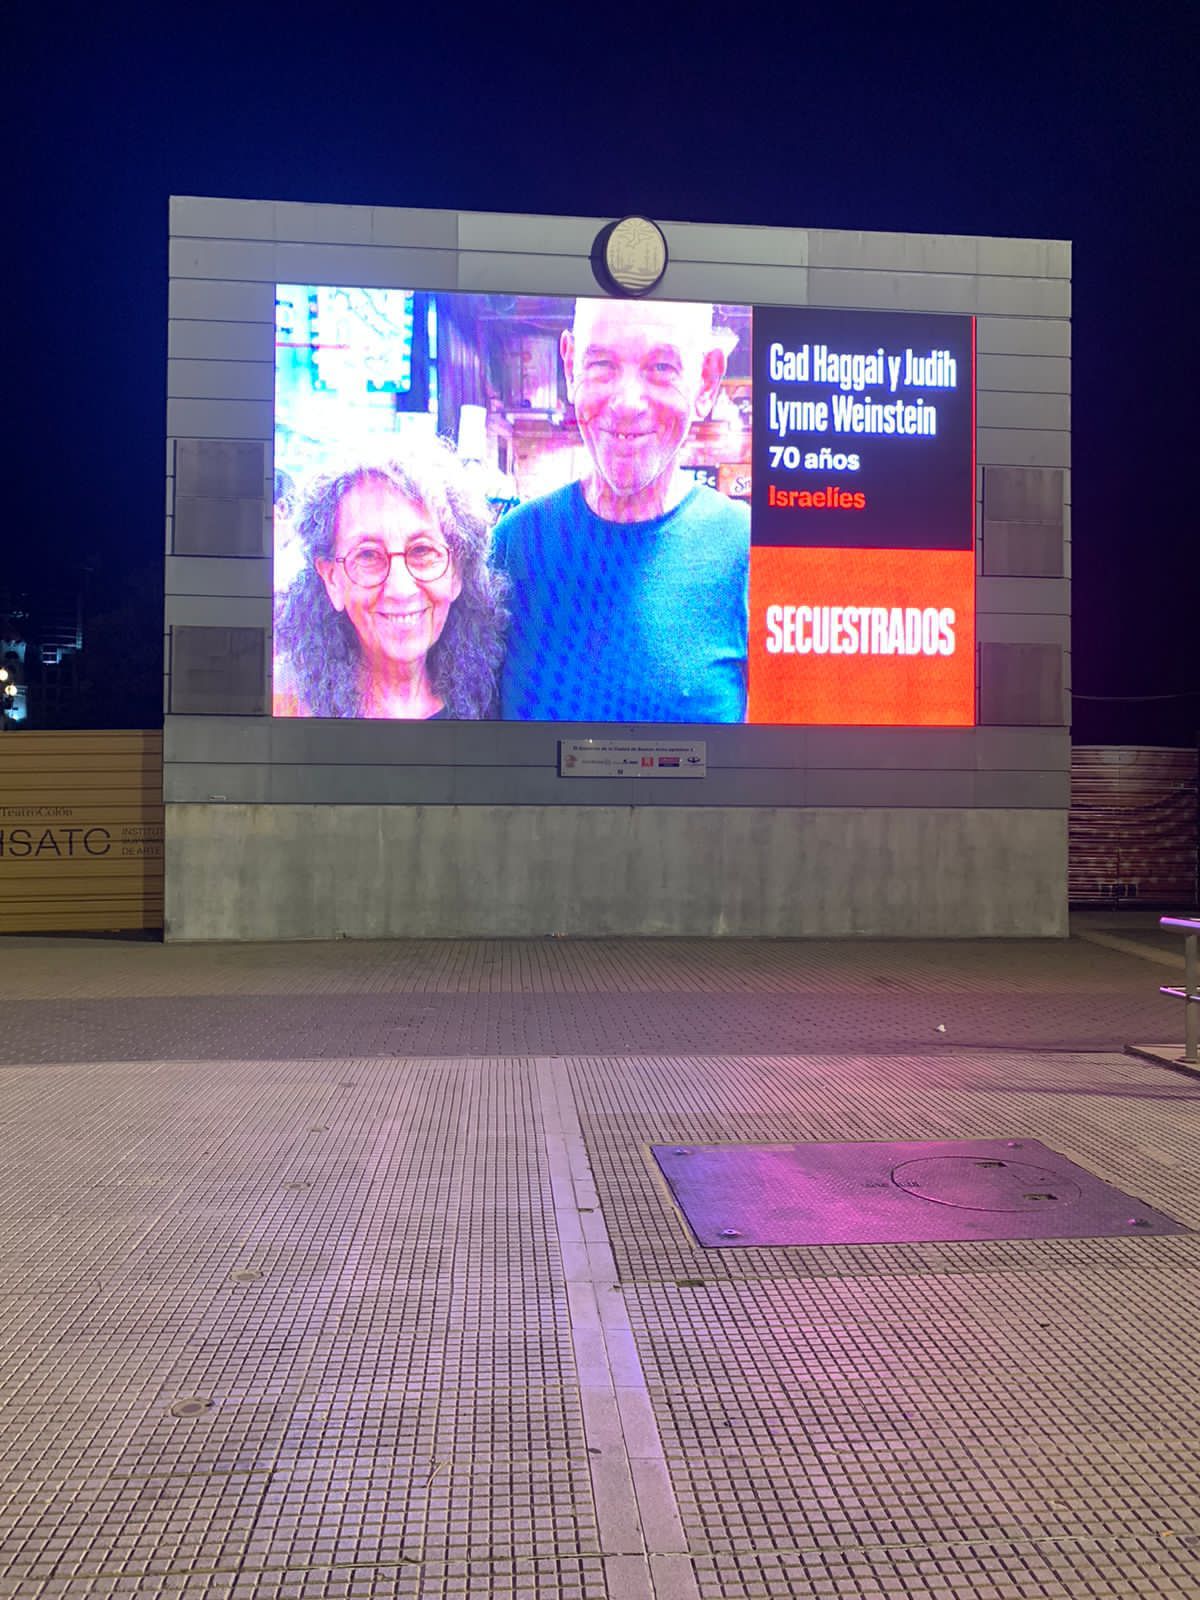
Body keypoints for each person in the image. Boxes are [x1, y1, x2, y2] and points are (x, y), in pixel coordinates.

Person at [492, 297, 749, 723]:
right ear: (571, 364)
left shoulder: (750, 553)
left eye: (661, 368)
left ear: (706, 380)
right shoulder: (514, 546)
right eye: (603, 364)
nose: (628, 402)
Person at [274, 437, 507, 719]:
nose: (400, 589)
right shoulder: (283, 706)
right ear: (331, 579)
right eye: (368, 555)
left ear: (457, 571)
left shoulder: (497, 701)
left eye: (422, 551)